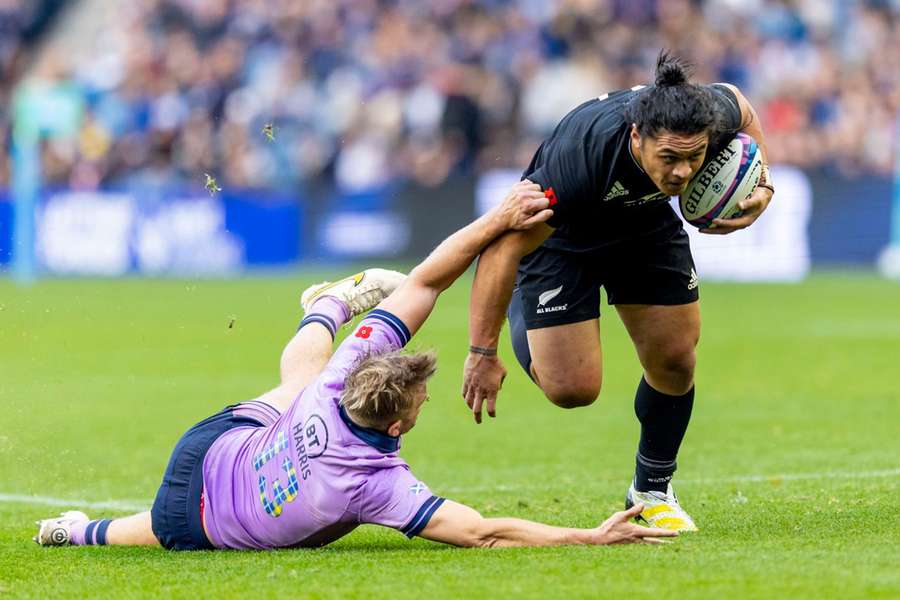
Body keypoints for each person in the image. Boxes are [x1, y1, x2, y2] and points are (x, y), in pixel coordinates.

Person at [34, 182, 677, 550]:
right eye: (422, 400)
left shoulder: (343, 380)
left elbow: (424, 281)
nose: (427, 401)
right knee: (165, 527)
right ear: (397, 426)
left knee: (298, 385)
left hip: (213, 445)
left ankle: (330, 304)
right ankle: (82, 533)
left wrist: (494, 223)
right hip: (205, 511)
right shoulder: (369, 484)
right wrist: (588, 537)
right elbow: (481, 533)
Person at [462, 51, 775, 531]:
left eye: (694, 158)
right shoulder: (580, 161)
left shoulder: (710, 114)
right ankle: (528, 308)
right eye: (669, 158)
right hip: (561, 240)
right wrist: (482, 352)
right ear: (636, 136)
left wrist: (764, 185)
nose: (682, 174)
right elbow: (500, 249)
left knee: (676, 357)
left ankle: (651, 488)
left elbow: (744, 109)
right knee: (572, 390)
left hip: (645, 226)